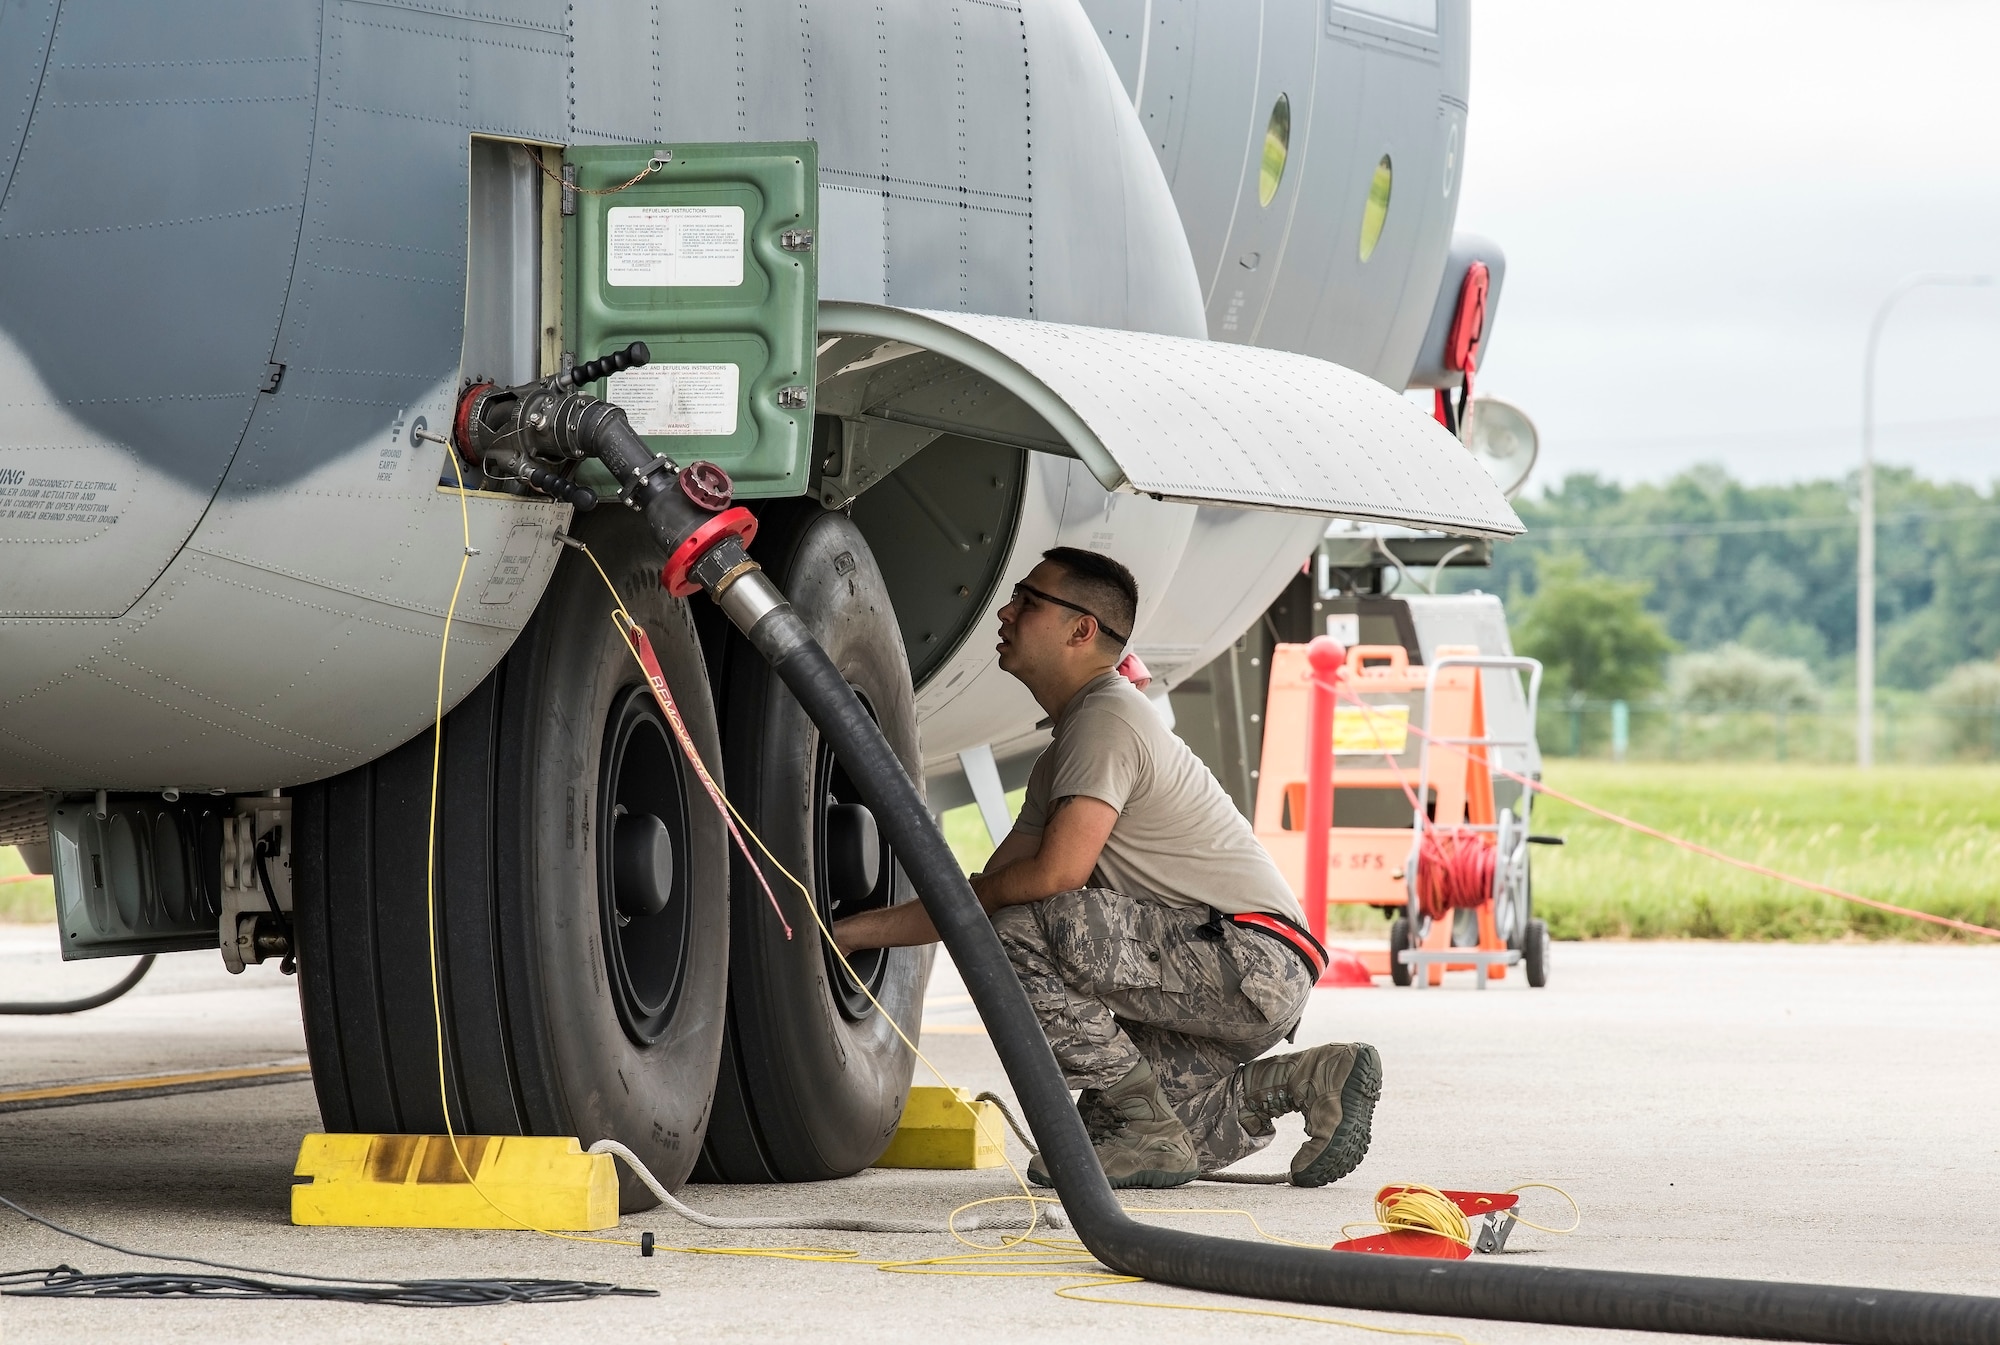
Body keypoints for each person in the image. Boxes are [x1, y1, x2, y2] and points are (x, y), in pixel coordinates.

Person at [833, 547, 1380, 1190]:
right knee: (1099, 1143)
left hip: (1246, 958)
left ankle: (1144, 1122)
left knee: (1018, 929)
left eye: (1029, 601)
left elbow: (1051, 878)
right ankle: (1311, 1079)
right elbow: (970, 899)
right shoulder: (1073, 744)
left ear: (1081, 629)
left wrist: (987, 900)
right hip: (1239, 973)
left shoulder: (1107, 717)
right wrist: (847, 934)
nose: (1005, 612)